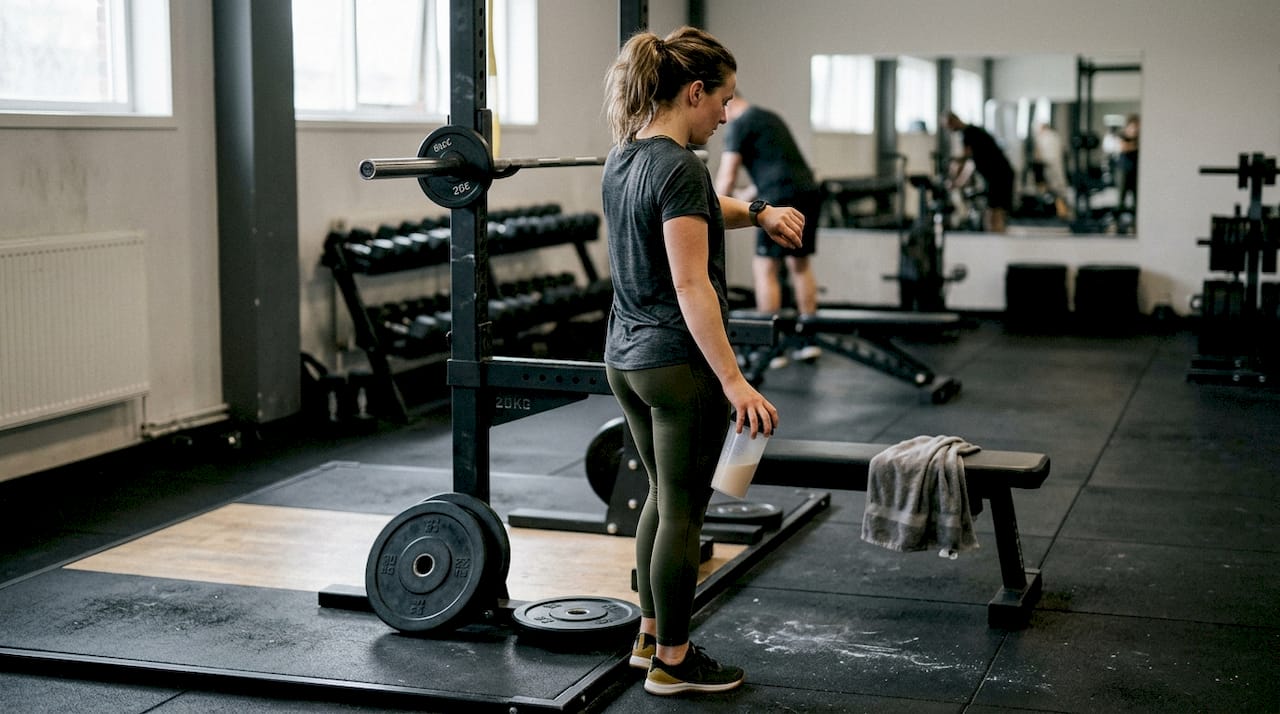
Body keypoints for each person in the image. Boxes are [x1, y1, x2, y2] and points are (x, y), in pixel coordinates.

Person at [600, 26, 804, 696]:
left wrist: (760, 211)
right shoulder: (682, 165)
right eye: (722, 99)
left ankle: (649, 638)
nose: (726, 114)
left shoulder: (624, 158)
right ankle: (675, 663)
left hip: (625, 359)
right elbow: (693, 285)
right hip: (677, 365)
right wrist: (734, 379)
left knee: (663, 496)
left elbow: (696, 211)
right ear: (694, 93)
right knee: (685, 508)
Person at [714, 93, 824, 366]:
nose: (721, 119)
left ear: (726, 102)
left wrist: (709, 210)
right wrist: (747, 192)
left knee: (765, 268)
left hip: (780, 197)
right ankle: (807, 341)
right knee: (800, 265)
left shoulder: (739, 124)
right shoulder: (767, 117)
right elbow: (778, 167)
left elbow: (726, 177)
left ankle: (771, 347)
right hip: (806, 191)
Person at [941, 111, 1015, 233]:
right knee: (993, 212)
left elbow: (968, 162)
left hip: (1000, 176)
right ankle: (996, 237)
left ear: (953, 121)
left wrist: (957, 181)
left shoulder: (970, 133)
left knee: (995, 213)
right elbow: (969, 161)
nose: (949, 130)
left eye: (949, 126)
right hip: (997, 175)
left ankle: (998, 239)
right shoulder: (972, 132)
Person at [1115, 113, 1139, 226]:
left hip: (1136, 172)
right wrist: (1134, 145)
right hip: (1124, 170)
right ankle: (1119, 221)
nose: (1135, 129)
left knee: (1136, 198)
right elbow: (1124, 147)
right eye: (1133, 126)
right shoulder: (1122, 136)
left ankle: (1135, 222)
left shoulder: (1139, 138)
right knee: (1121, 197)